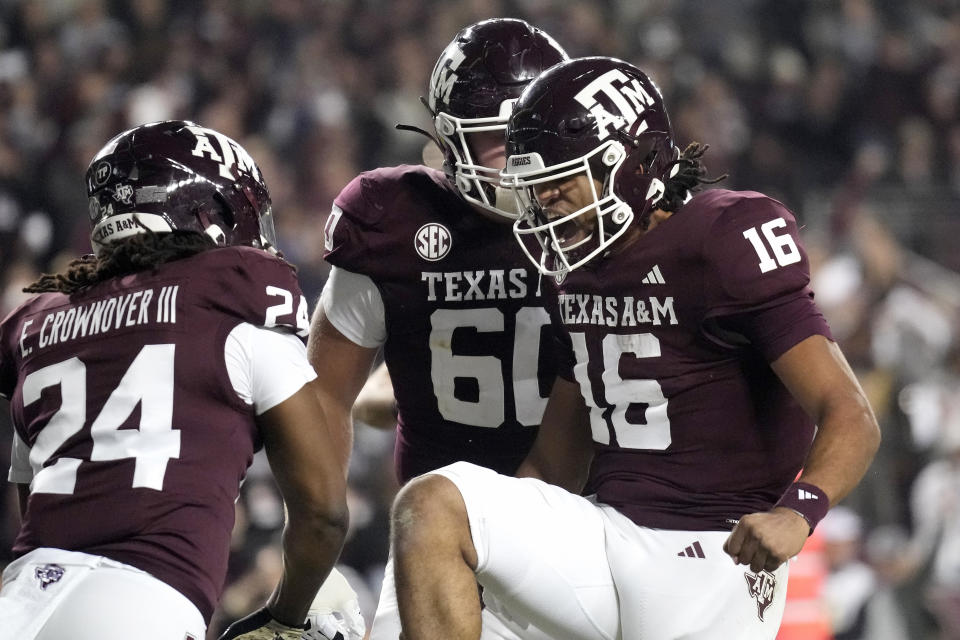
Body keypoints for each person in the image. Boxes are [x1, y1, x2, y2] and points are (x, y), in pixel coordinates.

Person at [391, 57, 882, 640]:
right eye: (536, 188)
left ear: (633, 163)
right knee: (432, 508)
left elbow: (850, 412)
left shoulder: (723, 239)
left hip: (711, 555)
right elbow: (553, 463)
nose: (545, 204)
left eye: (560, 181)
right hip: (604, 530)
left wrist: (797, 511)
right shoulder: (576, 269)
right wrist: (494, 550)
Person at [0, 120, 351, 640]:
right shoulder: (237, 310)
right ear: (210, 214)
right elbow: (323, 514)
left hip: (21, 597)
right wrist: (284, 617)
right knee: (333, 611)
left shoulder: (41, 328)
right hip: (142, 605)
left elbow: (32, 500)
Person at [306, 18, 567, 640]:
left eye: (531, 135)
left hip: (578, 523)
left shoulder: (601, 219)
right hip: (438, 544)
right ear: (450, 143)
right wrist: (310, 551)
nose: (520, 159)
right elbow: (318, 402)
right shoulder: (393, 219)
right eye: (497, 140)